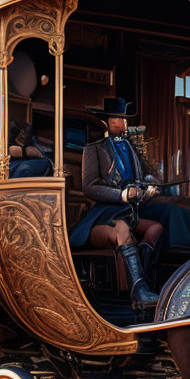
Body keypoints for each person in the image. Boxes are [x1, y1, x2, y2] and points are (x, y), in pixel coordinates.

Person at [68, 96, 161, 313]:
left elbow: (141, 177)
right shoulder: (94, 149)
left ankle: (143, 281)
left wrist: (147, 187)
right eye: (119, 119)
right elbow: (89, 188)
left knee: (156, 228)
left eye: (125, 119)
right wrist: (122, 195)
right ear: (107, 122)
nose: (124, 123)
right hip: (103, 214)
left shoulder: (130, 147)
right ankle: (138, 293)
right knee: (121, 229)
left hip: (128, 211)